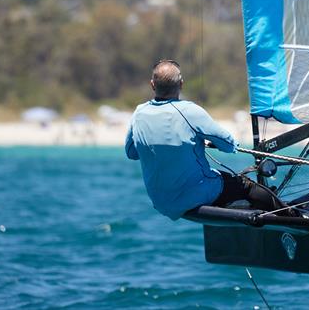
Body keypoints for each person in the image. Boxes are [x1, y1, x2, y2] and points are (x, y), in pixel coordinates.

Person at [125, 59, 296, 220]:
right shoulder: (189, 111)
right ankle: (291, 218)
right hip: (193, 195)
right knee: (248, 186)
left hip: (161, 202)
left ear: (152, 85)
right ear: (181, 84)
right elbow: (229, 144)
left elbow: (132, 153)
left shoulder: (139, 112)